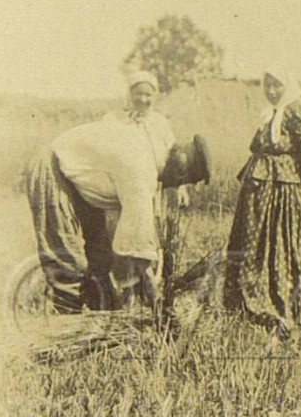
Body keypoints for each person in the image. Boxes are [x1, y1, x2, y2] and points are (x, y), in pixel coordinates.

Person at [27, 70, 193, 312]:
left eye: (150, 94)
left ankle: (100, 312)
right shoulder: (136, 162)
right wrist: (151, 289)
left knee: (100, 251)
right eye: (139, 93)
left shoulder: (155, 143)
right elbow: (135, 244)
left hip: (91, 180)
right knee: (67, 254)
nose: (144, 100)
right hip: (55, 166)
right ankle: (67, 325)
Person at [223, 67, 301, 338]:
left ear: (288, 86)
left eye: (277, 85)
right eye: (268, 85)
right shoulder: (268, 114)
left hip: (283, 193)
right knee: (254, 244)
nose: (272, 91)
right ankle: (249, 301)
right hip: (258, 191)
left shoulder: (294, 111)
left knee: (281, 244)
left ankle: (284, 305)